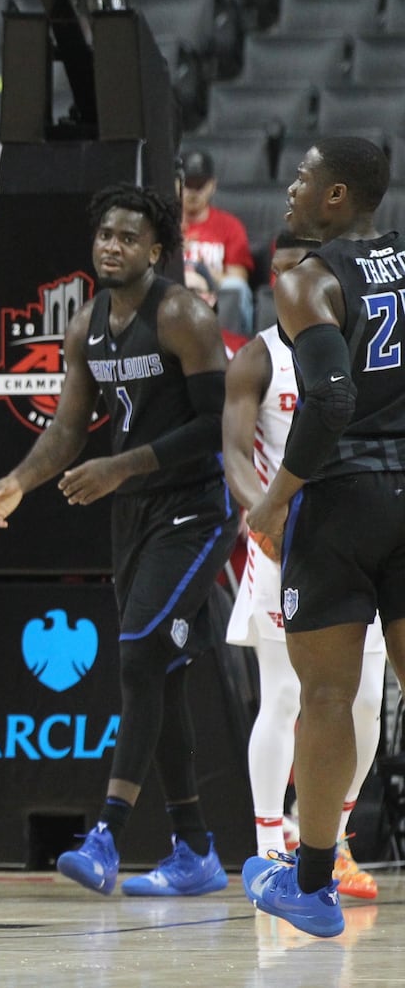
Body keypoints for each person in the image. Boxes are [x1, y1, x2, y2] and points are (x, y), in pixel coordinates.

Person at [0, 183, 235, 900]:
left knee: (137, 658)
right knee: (163, 676)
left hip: (195, 511)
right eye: (104, 237)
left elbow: (215, 428)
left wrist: (120, 466)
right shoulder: (85, 324)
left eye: (128, 238)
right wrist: (19, 482)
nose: (112, 247)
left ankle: (107, 837)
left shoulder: (183, 314)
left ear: (157, 250)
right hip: (137, 516)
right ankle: (195, 851)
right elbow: (67, 429)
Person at [241, 137, 405, 938]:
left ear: (337, 197)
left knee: (328, 697)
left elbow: (331, 404)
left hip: (344, 500)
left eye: (307, 177)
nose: (294, 187)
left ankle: (309, 885)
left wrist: (274, 502)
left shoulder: (308, 278)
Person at [221, 232, 382, 902]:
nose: (292, 286)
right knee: (286, 697)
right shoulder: (258, 355)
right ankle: (267, 848)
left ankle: (330, 840)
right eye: (282, 273)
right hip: (281, 543)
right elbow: (231, 450)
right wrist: (260, 509)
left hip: (356, 541)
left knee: (368, 703)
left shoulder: (363, 354)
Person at [180, 150, 256, 338]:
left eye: (200, 185)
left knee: (236, 287)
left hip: (214, 296)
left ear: (212, 185)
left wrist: (204, 272)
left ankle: (237, 342)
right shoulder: (166, 226)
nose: (193, 192)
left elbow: (238, 277)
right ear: (177, 184)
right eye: (188, 184)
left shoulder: (230, 226)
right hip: (176, 293)